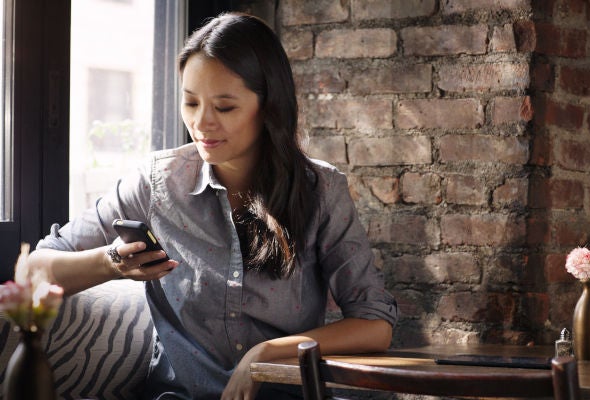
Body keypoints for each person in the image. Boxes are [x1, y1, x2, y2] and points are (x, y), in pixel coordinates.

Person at [27, 12, 398, 400]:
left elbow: (375, 325)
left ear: (269, 106)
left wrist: (266, 354)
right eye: (190, 103)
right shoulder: (158, 182)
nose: (202, 123)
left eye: (224, 108)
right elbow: (34, 270)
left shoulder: (321, 190)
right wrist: (111, 262)